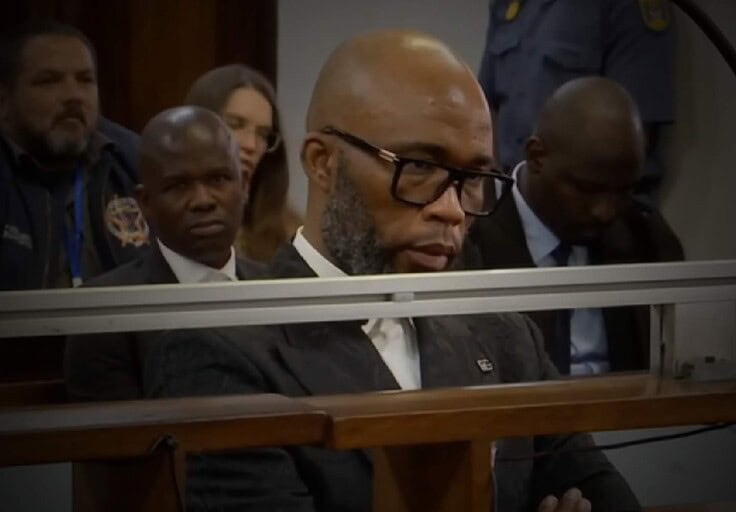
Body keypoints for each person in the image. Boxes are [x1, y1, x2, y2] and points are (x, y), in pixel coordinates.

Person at [143, 30, 640, 512]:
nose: (452, 210)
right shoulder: (221, 351)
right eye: (419, 167)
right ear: (323, 163)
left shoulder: (508, 337)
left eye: (471, 178)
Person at [467, 77, 684, 376]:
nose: (605, 212)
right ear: (537, 157)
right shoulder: (471, 233)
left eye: (624, 191)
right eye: (587, 189)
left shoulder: (644, 237)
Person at [65, 106, 265, 402]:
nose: (202, 200)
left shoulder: (282, 290)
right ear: (145, 202)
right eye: (179, 186)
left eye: (218, 179)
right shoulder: (103, 315)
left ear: (244, 186)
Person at [0, 20, 148, 291]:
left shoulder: (134, 161)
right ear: (4, 99)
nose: (73, 95)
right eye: (48, 81)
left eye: (85, 80)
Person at [479, 0, 674, 202]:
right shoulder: (511, 4)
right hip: (513, 194)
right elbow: (487, 104)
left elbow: (632, 131)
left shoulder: (624, 6)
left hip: (589, 202)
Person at [185, 64, 300, 263]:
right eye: (235, 125)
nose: (251, 145)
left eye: (263, 134)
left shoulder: (290, 233)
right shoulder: (162, 221)